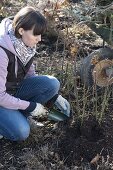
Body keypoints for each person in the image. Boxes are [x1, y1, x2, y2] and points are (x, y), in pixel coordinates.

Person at [0, 6, 70, 141]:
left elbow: (30, 75)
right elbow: (1, 96)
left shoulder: (26, 45)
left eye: (41, 34)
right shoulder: (2, 52)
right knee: (22, 131)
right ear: (21, 30)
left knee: (52, 84)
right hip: (1, 98)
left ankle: (17, 115)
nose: (39, 39)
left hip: (11, 92)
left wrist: (54, 97)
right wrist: (32, 106)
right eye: (36, 34)